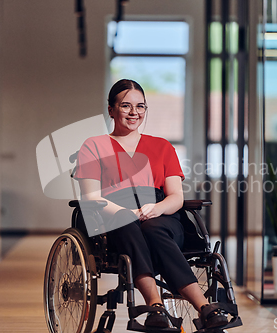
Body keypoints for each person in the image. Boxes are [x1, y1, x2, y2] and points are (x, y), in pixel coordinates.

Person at [74, 79, 228, 329]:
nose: (134, 112)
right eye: (126, 106)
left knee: (153, 227)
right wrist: (127, 212)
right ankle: (155, 305)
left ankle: (203, 307)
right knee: (129, 225)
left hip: (162, 212)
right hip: (113, 213)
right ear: (111, 110)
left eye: (140, 106)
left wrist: (157, 209)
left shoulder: (162, 146)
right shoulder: (94, 146)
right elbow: (91, 196)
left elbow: (176, 196)